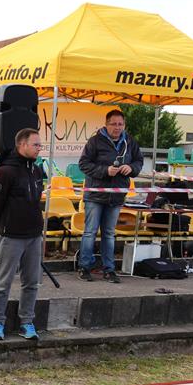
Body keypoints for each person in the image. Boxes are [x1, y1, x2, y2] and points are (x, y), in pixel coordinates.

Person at [0, 127, 46, 341]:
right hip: (11, 236)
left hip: (34, 236)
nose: (39, 148)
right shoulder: (5, 172)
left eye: (40, 145)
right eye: (35, 145)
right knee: (3, 283)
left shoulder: (36, 171)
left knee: (31, 283)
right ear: (21, 145)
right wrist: (2, 227)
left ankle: (26, 322)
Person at [77, 109, 144, 283]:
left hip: (117, 196)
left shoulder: (130, 142)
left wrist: (132, 168)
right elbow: (83, 164)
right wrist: (105, 170)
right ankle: (84, 267)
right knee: (90, 232)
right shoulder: (94, 141)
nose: (117, 127)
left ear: (124, 125)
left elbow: (139, 161)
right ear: (106, 125)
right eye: (113, 124)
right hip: (95, 195)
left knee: (109, 234)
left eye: (120, 124)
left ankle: (109, 269)